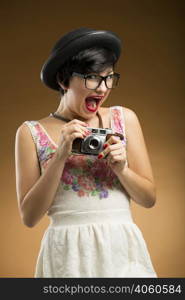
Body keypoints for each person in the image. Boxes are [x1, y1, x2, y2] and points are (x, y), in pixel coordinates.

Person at [15, 27, 157, 277]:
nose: (102, 89)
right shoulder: (29, 133)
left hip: (121, 247)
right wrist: (59, 157)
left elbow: (148, 199)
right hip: (67, 253)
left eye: (109, 78)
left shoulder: (124, 118)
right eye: (92, 78)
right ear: (63, 79)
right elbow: (29, 217)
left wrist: (122, 169)